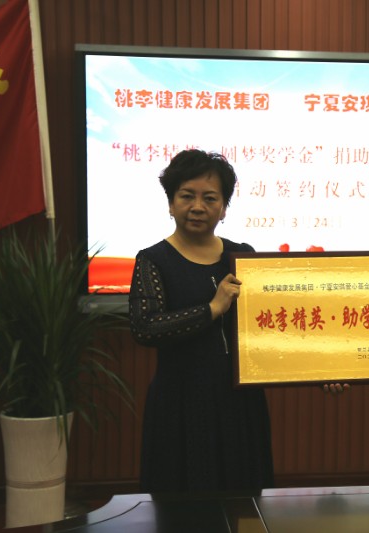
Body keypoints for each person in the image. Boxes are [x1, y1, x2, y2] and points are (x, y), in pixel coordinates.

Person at [129, 149, 274, 492]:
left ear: (223, 209)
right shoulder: (153, 259)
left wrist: (322, 370)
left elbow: (271, 325)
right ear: (171, 203)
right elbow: (145, 327)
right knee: (182, 504)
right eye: (186, 196)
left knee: (244, 501)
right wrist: (212, 308)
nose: (197, 206)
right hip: (180, 405)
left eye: (210, 198)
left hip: (240, 403)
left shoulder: (242, 255)